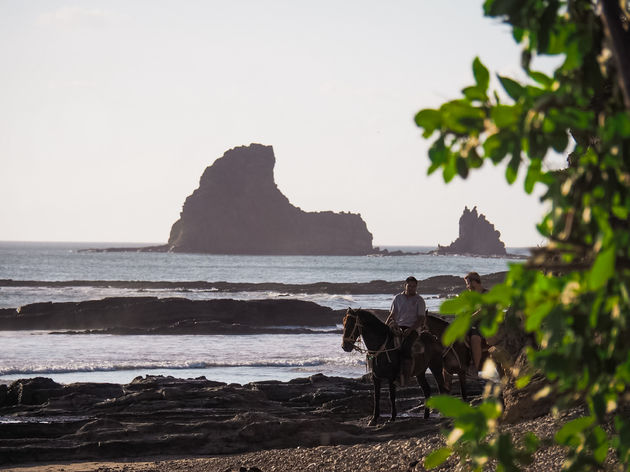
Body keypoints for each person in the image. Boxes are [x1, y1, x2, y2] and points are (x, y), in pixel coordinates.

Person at [385, 276, 426, 384]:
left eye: (414, 286)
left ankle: (406, 376)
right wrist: (386, 326)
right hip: (398, 326)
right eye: (409, 286)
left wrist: (411, 329)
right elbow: (392, 314)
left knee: (406, 348)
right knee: (385, 344)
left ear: (416, 287)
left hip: (413, 328)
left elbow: (421, 318)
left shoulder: (419, 300)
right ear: (405, 286)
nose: (412, 288)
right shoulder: (397, 298)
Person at [464, 271, 487, 376]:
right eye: (467, 284)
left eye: (468, 283)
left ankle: (475, 368)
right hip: (472, 323)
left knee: (475, 338)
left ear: (475, 281)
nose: (467, 286)